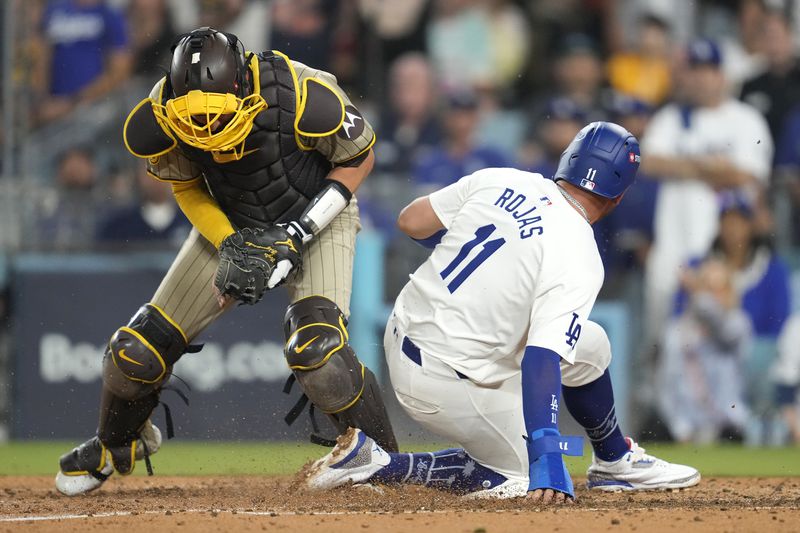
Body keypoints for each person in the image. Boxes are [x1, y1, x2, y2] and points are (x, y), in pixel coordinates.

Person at [55, 26, 398, 496]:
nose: (207, 134)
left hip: (318, 214)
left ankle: (391, 468)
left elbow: (360, 159)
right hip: (230, 218)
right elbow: (187, 185)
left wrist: (298, 232)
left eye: (216, 121)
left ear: (242, 88)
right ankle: (118, 443)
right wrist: (234, 243)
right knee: (132, 354)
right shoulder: (158, 114)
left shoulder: (303, 93)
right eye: (195, 123)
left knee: (319, 354)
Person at [304, 122, 700, 502]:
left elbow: (411, 221)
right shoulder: (580, 256)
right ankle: (381, 464)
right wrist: (546, 452)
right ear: (619, 197)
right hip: (442, 382)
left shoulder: (504, 178)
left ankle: (614, 459)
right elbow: (541, 359)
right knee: (523, 477)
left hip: (406, 334)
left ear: (568, 161)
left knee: (590, 344)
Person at [641, 38, 772, 348]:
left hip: (723, 249)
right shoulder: (670, 118)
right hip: (671, 246)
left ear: (722, 75)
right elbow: (647, 163)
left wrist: (685, 166)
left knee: (719, 338)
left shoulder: (745, 118)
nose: (700, 78)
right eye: (694, 70)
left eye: (708, 70)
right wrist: (710, 166)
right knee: (661, 337)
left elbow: (747, 175)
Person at [658, 257, 753, 444]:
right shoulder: (677, 330)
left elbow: (722, 328)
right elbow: (665, 385)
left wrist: (698, 293)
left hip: (729, 428)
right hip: (688, 430)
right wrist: (679, 426)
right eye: (709, 289)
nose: (714, 297)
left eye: (720, 289)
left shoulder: (738, 323)